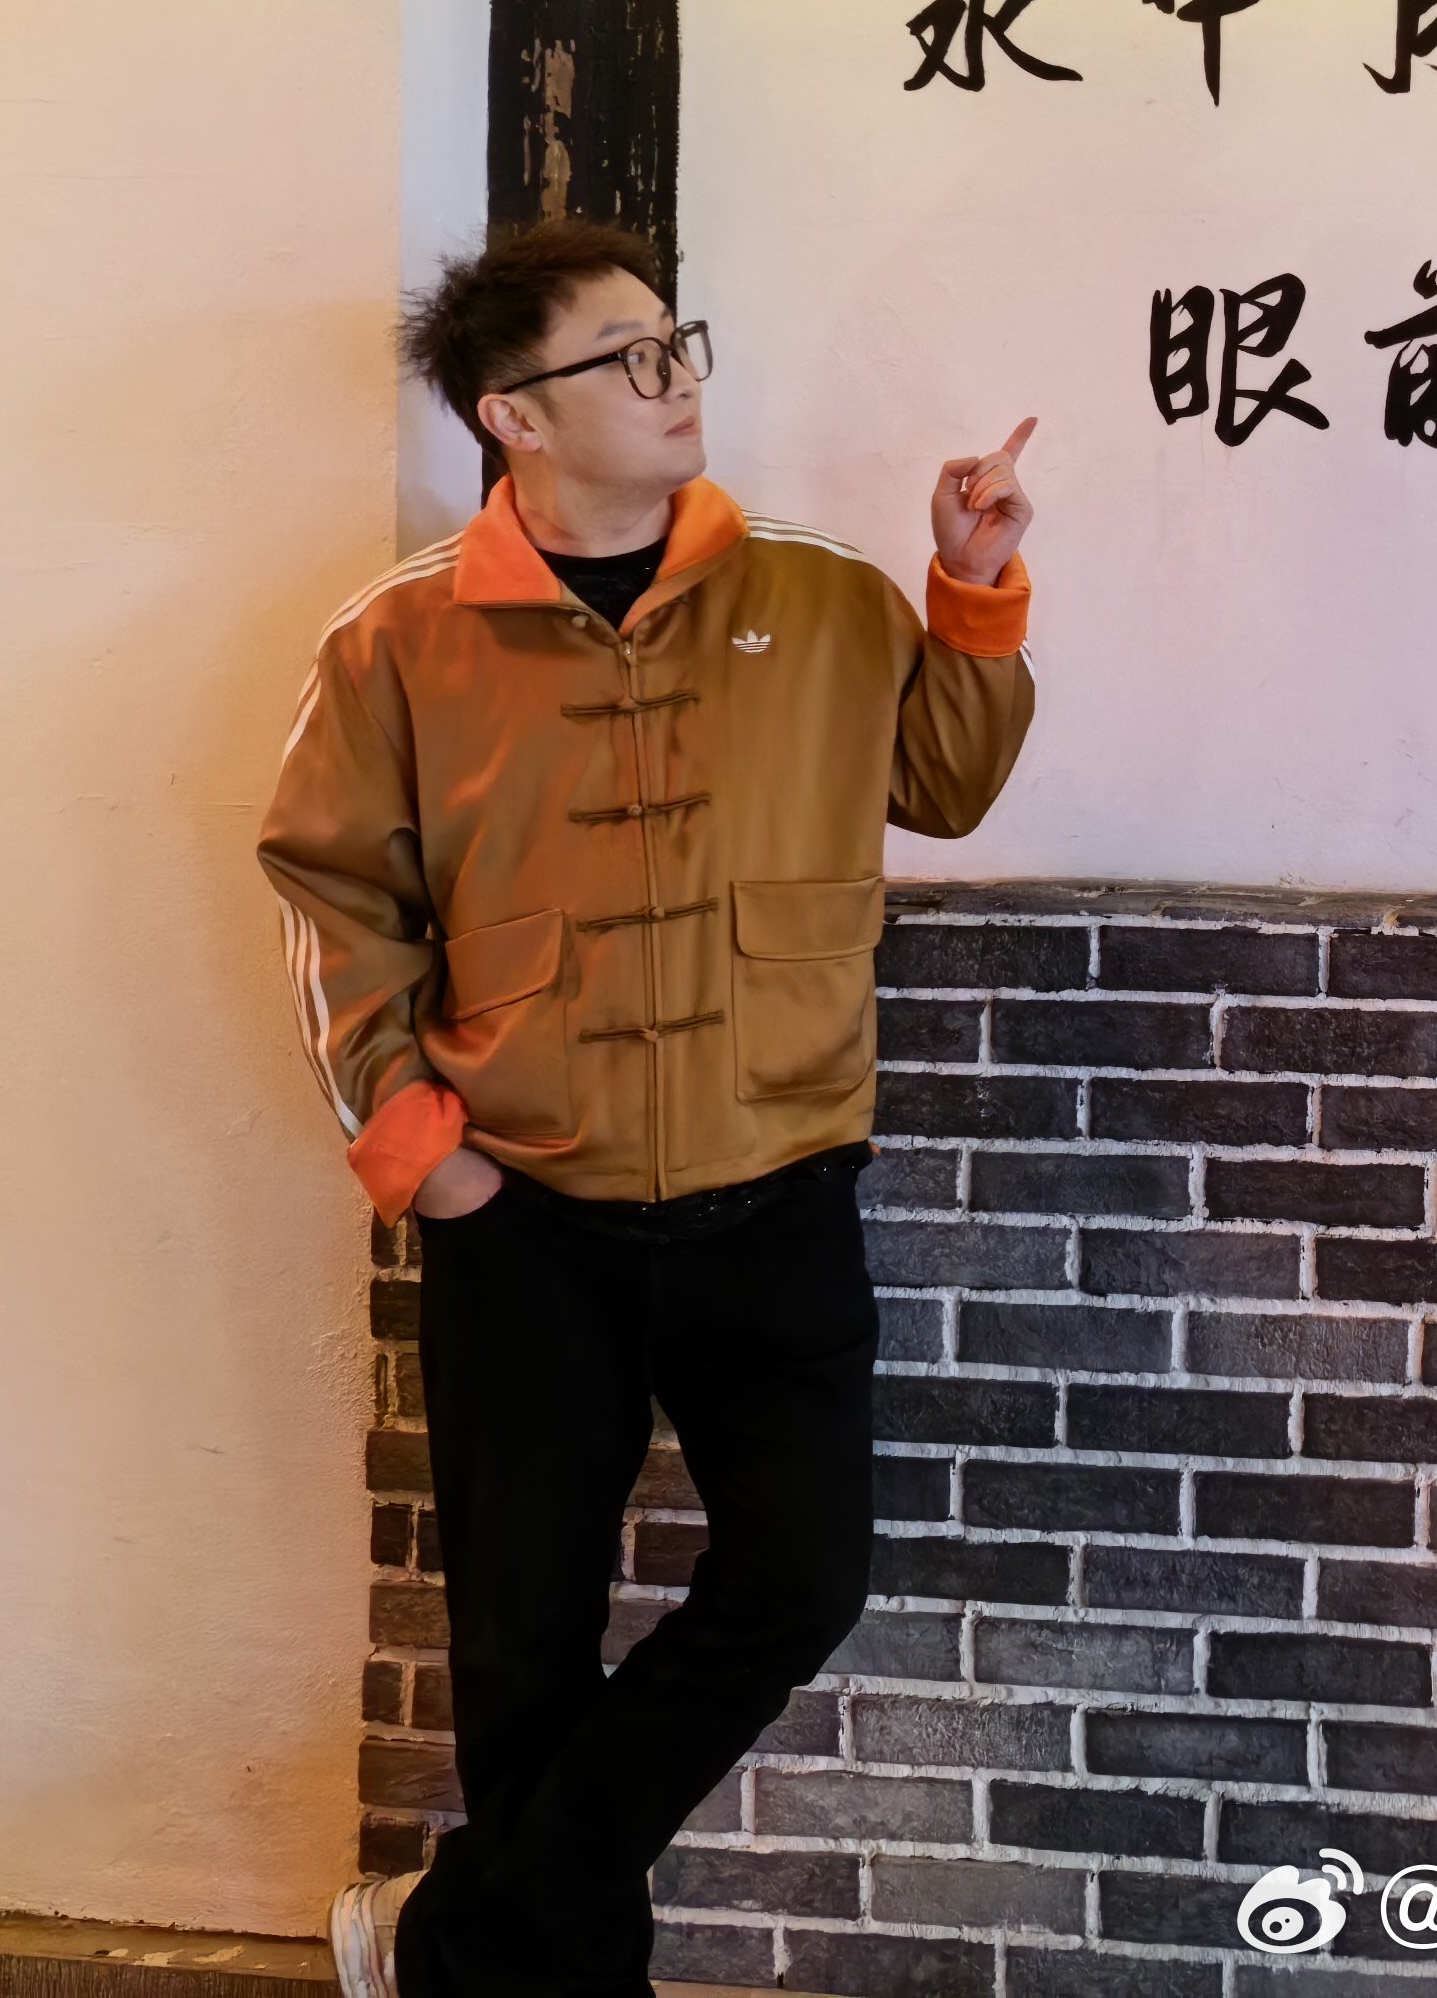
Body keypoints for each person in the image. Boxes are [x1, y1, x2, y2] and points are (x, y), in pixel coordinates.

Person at [260, 217, 1039, 1998]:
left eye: (675, 342)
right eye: (624, 358)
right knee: (520, 1648)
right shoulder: (399, 642)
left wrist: (973, 591)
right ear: (511, 414)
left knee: (802, 1579)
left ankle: (452, 1935)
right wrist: (427, 1159)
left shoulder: (821, 593)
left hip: (779, 1188)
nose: (672, 379)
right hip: (526, 1215)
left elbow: (946, 786)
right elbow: (332, 897)